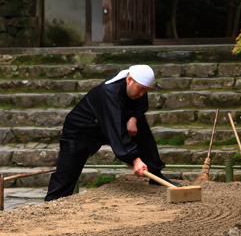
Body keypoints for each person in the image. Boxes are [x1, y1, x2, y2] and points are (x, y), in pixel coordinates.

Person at [45, 64, 179, 201]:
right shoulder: (108, 91)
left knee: (141, 126)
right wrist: (135, 159)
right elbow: (115, 129)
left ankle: (155, 173)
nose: (142, 94)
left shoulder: (139, 86)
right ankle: (50, 206)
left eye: (146, 91)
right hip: (81, 131)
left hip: (110, 123)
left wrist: (133, 118)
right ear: (129, 80)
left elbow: (139, 106)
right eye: (141, 89)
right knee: (65, 177)